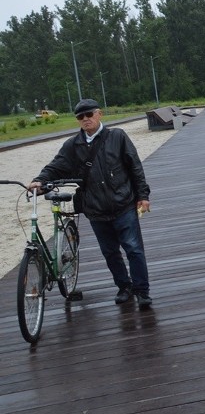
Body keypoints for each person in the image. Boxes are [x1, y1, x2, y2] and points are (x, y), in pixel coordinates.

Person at [29, 98, 154, 308]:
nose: (85, 119)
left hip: (123, 205)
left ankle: (142, 291)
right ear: (77, 120)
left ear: (99, 114)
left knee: (134, 250)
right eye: (80, 116)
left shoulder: (118, 136)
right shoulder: (72, 145)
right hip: (95, 210)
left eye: (89, 114)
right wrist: (39, 180)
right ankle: (124, 287)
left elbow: (135, 168)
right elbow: (56, 166)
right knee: (110, 253)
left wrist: (143, 196)